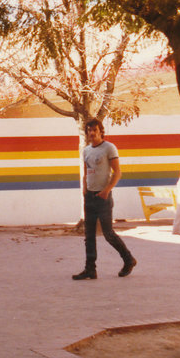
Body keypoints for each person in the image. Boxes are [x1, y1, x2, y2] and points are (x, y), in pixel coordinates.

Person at [73, 118, 136, 280]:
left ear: (101, 131)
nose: (92, 133)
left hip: (103, 197)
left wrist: (107, 190)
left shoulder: (109, 147)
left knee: (108, 234)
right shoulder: (86, 150)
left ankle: (128, 259)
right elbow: (86, 172)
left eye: (95, 130)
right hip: (90, 197)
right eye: (89, 130)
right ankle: (90, 269)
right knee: (89, 235)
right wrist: (85, 190)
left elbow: (118, 172)